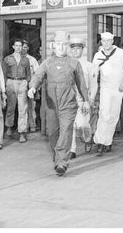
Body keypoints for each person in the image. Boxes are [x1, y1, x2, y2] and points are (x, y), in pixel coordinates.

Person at [28, 31, 90, 177]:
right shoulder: (47, 63)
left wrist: (86, 100)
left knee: (66, 130)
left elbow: (81, 84)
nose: (61, 47)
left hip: (68, 103)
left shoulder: (74, 63)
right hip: (51, 104)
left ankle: (61, 161)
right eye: (58, 44)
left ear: (67, 46)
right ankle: (58, 156)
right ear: (53, 46)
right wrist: (32, 87)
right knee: (53, 133)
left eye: (64, 44)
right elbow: (38, 76)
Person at [90, 32, 123, 156]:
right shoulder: (98, 55)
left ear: (113, 41)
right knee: (104, 114)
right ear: (101, 42)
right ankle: (99, 142)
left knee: (114, 116)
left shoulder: (120, 53)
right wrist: (92, 90)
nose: (106, 43)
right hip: (106, 88)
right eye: (104, 41)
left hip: (118, 89)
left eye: (109, 41)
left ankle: (108, 142)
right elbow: (93, 74)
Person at [69, 37, 93, 159]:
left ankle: (88, 139)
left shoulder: (88, 65)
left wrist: (89, 100)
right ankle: (72, 149)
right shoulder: (67, 64)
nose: (75, 52)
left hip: (83, 99)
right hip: (70, 98)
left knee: (82, 124)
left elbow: (92, 84)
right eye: (73, 49)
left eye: (78, 49)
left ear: (82, 50)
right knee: (71, 124)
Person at [2, 38, 31, 143]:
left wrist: (26, 82)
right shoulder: (7, 59)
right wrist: (4, 87)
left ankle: (22, 133)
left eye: (20, 46)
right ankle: (9, 128)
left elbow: (28, 74)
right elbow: (4, 74)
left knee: (22, 109)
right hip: (10, 82)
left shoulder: (25, 59)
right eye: (16, 45)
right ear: (13, 47)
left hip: (22, 82)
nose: (18, 48)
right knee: (10, 107)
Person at [22, 40, 40, 133]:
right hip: (21, 86)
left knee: (31, 107)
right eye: (22, 47)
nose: (23, 49)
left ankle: (32, 126)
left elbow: (38, 74)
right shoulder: (18, 59)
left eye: (25, 47)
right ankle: (23, 127)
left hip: (31, 86)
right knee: (22, 107)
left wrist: (36, 88)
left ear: (28, 48)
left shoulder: (32, 60)